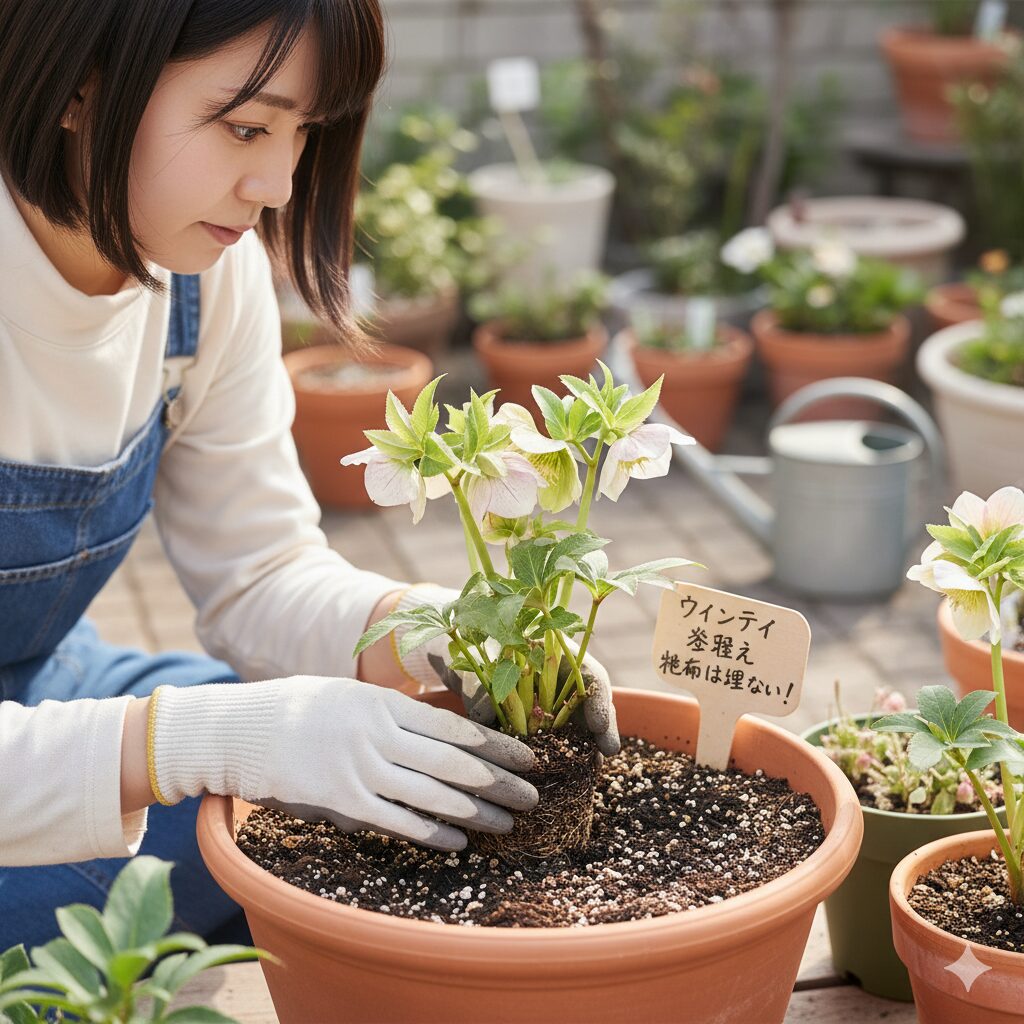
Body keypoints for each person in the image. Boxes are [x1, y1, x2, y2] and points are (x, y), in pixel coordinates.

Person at [0, 0, 619, 950]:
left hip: (47, 688)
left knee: (329, 783)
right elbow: (207, 733)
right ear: (80, 84)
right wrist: (205, 740)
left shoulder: (207, 282)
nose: (280, 185)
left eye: (305, 133)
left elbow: (258, 574)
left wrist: (427, 628)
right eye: (247, 126)